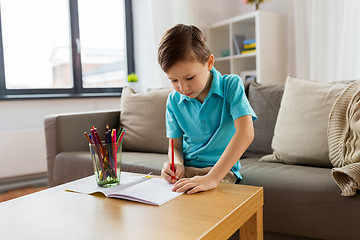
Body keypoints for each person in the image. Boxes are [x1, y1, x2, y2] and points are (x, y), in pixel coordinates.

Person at [158, 24, 257, 194]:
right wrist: (176, 164)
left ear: (209, 62)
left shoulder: (231, 86)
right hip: (187, 171)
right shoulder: (173, 101)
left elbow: (246, 132)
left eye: (189, 77)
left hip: (220, 172)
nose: (182, 87)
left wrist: (211, 178)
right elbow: (175, 146)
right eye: (173, 80)